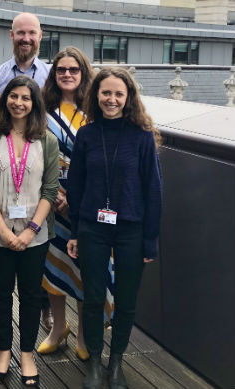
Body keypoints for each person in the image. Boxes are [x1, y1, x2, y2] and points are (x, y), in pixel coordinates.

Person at [66, 67, 162, 389]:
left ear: (128, 97)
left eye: (118, 94)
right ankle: (94, 359)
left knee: (125, 299)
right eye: (106, 93)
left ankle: (116, 360)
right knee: (93, 296)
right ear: (96, 95)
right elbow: (76, 185)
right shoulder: (87, 134)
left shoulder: (142, 135)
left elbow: (153, 189)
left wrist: (150, 240)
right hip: (93, 226)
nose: (112, 99)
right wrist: (77, 231)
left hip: (131, 229)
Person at [0, 75, 59, 388]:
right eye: (14, 97)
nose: (19, 103)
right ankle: (2, 351)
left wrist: (29, 231)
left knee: (29, 295)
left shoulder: (47, 141)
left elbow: (50, 190)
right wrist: (1, 227)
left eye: (26, 98)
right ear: (5, 100)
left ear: (34, 103)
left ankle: (26, 354)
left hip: (34, 236)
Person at [37, 46, 114, 361]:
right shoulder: (41, 110)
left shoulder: (96, 111)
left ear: (84, 74)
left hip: (87, 200)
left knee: (85, 265)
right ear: (54, 76)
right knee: (51, 265)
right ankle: (58, 328)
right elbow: (34, 152)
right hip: (50, 197)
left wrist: (79, 199)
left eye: (73, 70)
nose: (67, 75)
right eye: (61, 70)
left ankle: (83, 332)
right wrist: (53, 191)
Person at [0, 11, 53, 332]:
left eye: (31, 33)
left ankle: (45, 305)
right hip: (1, 171)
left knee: (39, 255)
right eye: (20, 33)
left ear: (40, 35)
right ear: (11, 35)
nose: (26, 38)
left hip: (38, 172)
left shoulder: (51, 76)